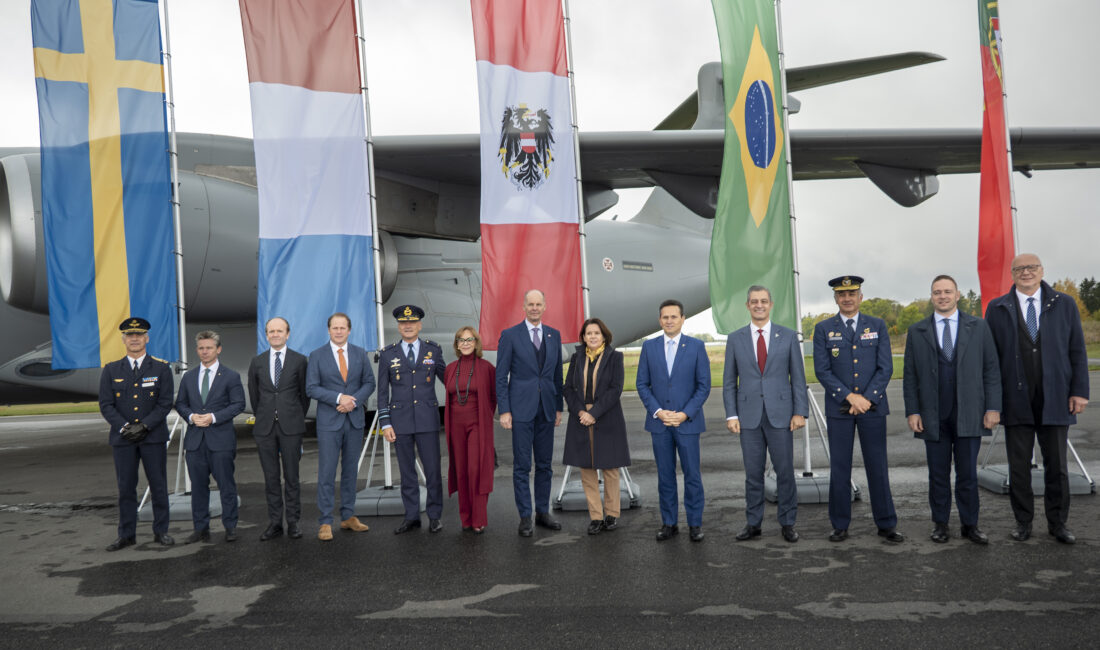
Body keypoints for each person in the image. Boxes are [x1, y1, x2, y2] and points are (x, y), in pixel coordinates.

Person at [985, 254, 1089, 544]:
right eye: (1020, 268)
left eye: (1032, 268)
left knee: (1057, 466)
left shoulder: (1064, 304)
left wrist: (1079, 391)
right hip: (1015, 400)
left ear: (1042, 271)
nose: (1026, 272)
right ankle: (1023, 522)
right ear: (1012, 274)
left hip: (1055, 398)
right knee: (1018, 467)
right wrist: (992, 402)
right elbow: (991, 361)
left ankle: (1058, 524)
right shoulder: (997, 308)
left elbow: (1077, 350)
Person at [903, 275, 1001, 544]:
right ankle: (941, 524)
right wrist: (913, 411)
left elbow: (991, 369)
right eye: (937, 292)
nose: (942, 296)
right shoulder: (917, 331)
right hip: (933, 416)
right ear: (931, 296)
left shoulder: (978, 327)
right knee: (938, 475)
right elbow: (910, 375)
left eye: (947, 291)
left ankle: (970, 525)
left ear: (958, 295)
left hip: (969, 413)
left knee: (968, 474)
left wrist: (993, 407)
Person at [812, 275, 903, 543]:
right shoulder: (823, 328)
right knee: (840, 469)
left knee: (878, 467)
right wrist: (850, 397)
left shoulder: (876, 325)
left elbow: (885, 367)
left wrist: (867, 398)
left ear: (860, 297)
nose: (847, 298)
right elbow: (822, 370)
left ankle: (886, 524)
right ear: (836, 298)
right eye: (842, 294)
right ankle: (840, 524)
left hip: (872, 408)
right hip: (840, 409)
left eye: (852, 293)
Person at [723, 286, 807, 544]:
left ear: (771, 304)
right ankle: (753, 523)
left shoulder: (788, 336)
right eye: (754, 301)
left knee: (784, 473)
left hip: (781, 415)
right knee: (752, 474)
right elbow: (728, 382)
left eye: (763, 301)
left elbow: (798, 379)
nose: (759, 305)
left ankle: (788, 523)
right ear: (747, 305)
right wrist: (731, 415)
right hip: (748, 417)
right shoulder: (735, 339)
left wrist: (799, 412)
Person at [636, 299, 710, 542]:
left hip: (687, 423)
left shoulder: (697, 346)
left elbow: (703, 386)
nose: (669, 321)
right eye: (665, 317)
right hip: (660, 423)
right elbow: (642, 384)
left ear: (682, 319)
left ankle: (695, 524)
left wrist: (685, 413)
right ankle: (669, 523)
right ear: (660, 320)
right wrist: (658, 411)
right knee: (665, 475)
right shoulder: (649, 347)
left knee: (692, 475)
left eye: (673, 317)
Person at [98, 317, 176, 551]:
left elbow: (164, 404)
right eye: (130, 336)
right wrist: (124, 427)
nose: (134, 339)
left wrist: (144, 426)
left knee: (159, 486)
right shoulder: (111, 370)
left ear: (146, 338)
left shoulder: (161, 369)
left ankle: (161, 531)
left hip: (152, 437)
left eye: (139, 335)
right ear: (123, 340)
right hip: (123, 440)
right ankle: (126, 534)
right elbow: (106, 404)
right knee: (126, 488)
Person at [496, 289, 564, 537]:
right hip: (521, 410)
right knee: (522, 466)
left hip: (546, 409)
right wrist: (504, 410)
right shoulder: (510, 335)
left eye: (538, 304)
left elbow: (557, 376)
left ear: (545, 306)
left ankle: (542, 512)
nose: (534, 308)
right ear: (523, 307)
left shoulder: (553, 336)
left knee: (545, 465)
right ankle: (525, 516)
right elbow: (501, 377)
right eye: (530, 304)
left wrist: (559, 407)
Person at [306, 313, 376, 541]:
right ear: (328, 330)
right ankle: (325, 521)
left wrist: (352, 400)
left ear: (349, 330)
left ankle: (348, 516)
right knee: (327, 472)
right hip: (329, 422)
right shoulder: (317, 356)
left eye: (342, 327)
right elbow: (312, 388)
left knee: (350, 471)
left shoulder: (359, 353)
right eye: (334, 327)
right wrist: (339, 398)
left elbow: (369, 383)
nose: (338, 331)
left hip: (354, 420)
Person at [377, 305, 447, 534]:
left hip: (427, 419)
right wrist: (385, 423)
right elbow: (382, 393)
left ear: (419, 325)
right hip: (400, 421)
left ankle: (435, 516)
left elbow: (449, 381)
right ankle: (412, 516)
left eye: (412, 322)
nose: (408, 326)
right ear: (398, 326)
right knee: (407, 472)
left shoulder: (433, 351)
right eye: (403, 323)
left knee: (433, 470)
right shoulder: (388, 354)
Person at [175, 330, 246, 543]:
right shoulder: (189, 377)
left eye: (209, 348)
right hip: (195, 442)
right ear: (197, 350)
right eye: (201, 348)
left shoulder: (231, 376)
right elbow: (180, 404)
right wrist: (191, 416)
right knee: (198, 488)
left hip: (221, 441)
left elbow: (238, 404)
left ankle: (230, 526)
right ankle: (201, 528)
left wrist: (213, 417)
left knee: (226, 485)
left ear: (218, 349)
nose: (205, 352)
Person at [562, 318, 631, 535]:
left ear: (604, 336)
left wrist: (594, 413)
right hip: (580, 418)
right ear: (583, 337)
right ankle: (595, 516)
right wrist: (581, 412)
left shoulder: (614, 357)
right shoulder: (576, 357)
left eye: (596, 333)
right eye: (588, 333)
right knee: (587, 469)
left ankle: (611, 513)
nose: (592, 336)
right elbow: (568, 388)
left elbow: (615, 389)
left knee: (610, 469)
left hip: (606, 416)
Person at [247, 316, 311, 541]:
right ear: (266, 335)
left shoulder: (300, 360)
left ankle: (293, 522)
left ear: (288, 334)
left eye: (279, 331)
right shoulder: (257, 362)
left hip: (291, 427)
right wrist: (266, 415)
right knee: (271, 478)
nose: (275, 334)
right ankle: (275, 522)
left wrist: (292, 415)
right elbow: (255, 396)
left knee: (292, 477)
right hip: (265, 428)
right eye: (271, 331)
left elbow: (304, 396)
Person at [444, 326, 497, 533]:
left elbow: (493, 398)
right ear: (457, 344)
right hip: (455, 425)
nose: (465, 343)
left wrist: (483, 418)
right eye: (461, 340)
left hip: (477, 425)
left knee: (476, 470)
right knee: (462, 471)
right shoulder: (450, 368)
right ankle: (465, 518)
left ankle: (479, 519)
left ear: (476, 343)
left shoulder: (486, 368)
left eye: (469, 339)